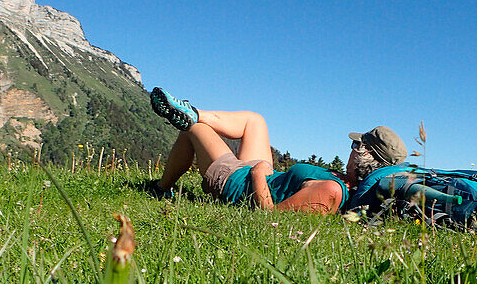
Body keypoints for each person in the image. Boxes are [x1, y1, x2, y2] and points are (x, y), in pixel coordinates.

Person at [145, 87, 407, 215]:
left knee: (194, 130)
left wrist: (258, 174)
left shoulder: (333, 190)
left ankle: (161, 187)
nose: (351, 149)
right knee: (255, 121)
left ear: (366, 156)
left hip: (237, 183)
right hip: (260, 175)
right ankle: (194, 110)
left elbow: (269, 218)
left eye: (356, 145)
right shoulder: (344, 183)